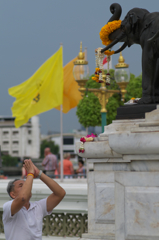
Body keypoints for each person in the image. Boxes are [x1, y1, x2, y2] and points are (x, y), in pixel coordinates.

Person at [3, 159, 66, 240]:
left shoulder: (38, 206)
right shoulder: (8, 206)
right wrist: (30, 174)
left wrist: (39, 174)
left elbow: (60, 193)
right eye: (21, 185)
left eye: (27, 185)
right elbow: (23, 198)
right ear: (12, 194)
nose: (27, 187)